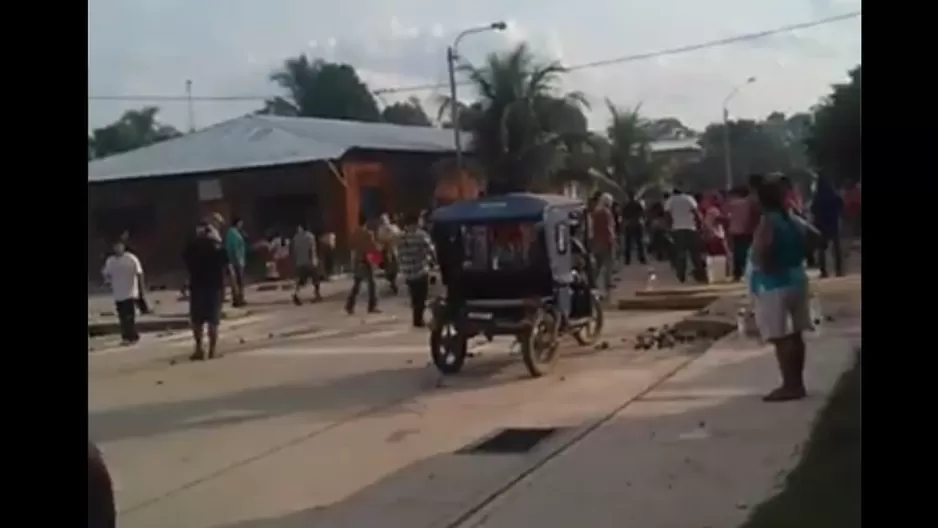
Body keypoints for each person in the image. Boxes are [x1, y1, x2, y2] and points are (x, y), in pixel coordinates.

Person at [749, 177, 817, 402]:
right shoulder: (792, 218)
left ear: (761, 199)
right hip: (796, 278)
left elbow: (761, 250)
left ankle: (790, 385)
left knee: (780, 337)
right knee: (796, 335)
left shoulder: (768, 221)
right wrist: (800, 253)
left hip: (774, 284)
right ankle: (798, 383)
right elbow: (818, 238)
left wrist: (767, 263)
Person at [183, 222, 229, 361]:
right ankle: (212, 351)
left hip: (197, 287)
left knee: (197, 321)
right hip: (214, 288)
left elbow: (186, 262)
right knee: (213, 321)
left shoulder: (191, 247)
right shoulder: (217, 248)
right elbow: (227, 266)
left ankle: (199, 349)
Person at [397, 212, 436, 328]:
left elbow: (398, 253)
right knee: (422, 296)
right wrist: (433, 262)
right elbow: (431, 250)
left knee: (414, 296)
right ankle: (418, 320)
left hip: (407, 271)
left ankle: (416, 318)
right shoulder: (421, 235)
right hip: (420, 270)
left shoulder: (401, 236)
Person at [102, 240, 144, 345]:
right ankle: (128, 336)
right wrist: (107, 282)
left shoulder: (131, 258)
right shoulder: (110, 261)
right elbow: (107, 274)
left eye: (119, 246)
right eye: (115, 246)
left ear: (123, 247)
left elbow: (139, 273)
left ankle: (131, 336)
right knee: (122, 316)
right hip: (118, 293)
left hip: (131, 291)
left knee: (129, 315)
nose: (117, 248)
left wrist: (141, 290)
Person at [664, 188, 705, 283]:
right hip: (691, 228)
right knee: (695, 253)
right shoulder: (689, 198)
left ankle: (681, 274)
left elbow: (667, 215)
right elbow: (697, 213)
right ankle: (700, 274)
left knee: (680, 253)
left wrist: (668, 228)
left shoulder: (670, 200)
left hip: (677, 229)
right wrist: (700, 225)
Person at [811, 175, 845, 278]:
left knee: (822, 249)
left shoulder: (817, 196)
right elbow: (841, 205)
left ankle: (824, 271)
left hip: (821, 224)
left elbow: (813, 209)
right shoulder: (834, 194)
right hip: (833, 223)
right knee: (836, 248)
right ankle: (838, 270)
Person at [345, 216, 380, 314]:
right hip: (366, 261)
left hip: (357, 260)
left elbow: (350, 245)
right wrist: (377, 260)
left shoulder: (354, 233)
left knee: (357, 284)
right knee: (372, 284)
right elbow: (371, 248)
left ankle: (350, 305)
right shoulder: (368, 234)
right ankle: (372, 306)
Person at [590, 192, 616, 295]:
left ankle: (592, 282)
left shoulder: (595, 212)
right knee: (608, 263)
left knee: (599, 264)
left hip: (597, 241)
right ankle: (607, 283)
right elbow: (608, 228)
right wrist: (612, 240)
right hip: (606, 241)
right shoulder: (606, 212)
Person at [726, 186, 754, 281]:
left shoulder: (733, 203)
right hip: (748, 230)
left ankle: (737, 274)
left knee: (737, 253)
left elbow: (727, 215)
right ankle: (748, 272)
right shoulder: (750, 202)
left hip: (735, 230)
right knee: (748, 252)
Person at [291, 224, 322, 304]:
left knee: (301, 280)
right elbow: (312, 249)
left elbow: (294, 251)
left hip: (300, 262)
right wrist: (314, 260)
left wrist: (295, 262)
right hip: (310, 262)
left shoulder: (296, 237)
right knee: (316, 279)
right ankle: (317, 295)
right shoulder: (310, 237)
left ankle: (296, 294)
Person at [224, 216, 247, 307]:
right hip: (236, 261)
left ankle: (240, 298)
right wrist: (237, 260)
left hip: (239, 260)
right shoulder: (232, 233)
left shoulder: (236, 232)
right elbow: (233, 248)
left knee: (239, 281)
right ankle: (238, 299)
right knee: (238, 281)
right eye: (241, 223)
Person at [376, 213, 402, 295]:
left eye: (385, 219)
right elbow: (380, 240)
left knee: (395, 266)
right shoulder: (380, 229)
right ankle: (392, 282)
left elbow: (398, 236)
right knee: (388, 268)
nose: (384, 221)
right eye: (382, 220)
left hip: (394, 250)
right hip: (386, 251)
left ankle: (393, 281)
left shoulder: (394, 227)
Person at [621, 190, 647, 266]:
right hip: (637, 223)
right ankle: (642, 258)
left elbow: (623, 215)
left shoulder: (626, 205)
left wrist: (624, 224)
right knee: (640, 242)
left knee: (628, 243)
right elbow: (643, 213)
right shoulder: (638, 204)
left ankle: (627, 260)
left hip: (629, 224)